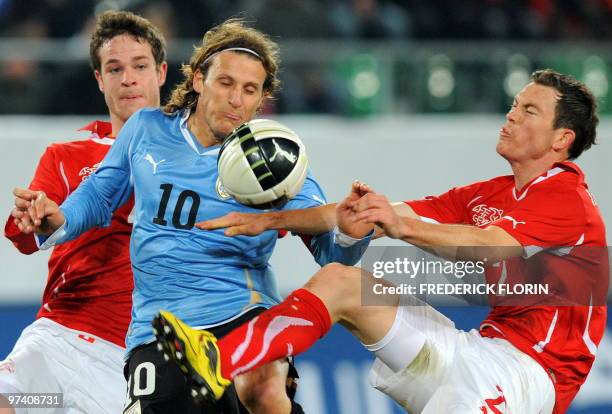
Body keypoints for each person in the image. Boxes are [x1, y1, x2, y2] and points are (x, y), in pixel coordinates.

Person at [154, 69, 607, 414]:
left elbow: (492, 247)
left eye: (529, 111)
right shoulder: (492, 193)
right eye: (514, 103)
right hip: (474, 352)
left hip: (526, 379)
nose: (511, 114)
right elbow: (367, 216)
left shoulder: (566, 195)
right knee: (341, 281)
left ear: (562, 139)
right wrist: (273, 219)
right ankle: (217, 360)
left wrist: (398, 225)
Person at [11, 18, 372, 414]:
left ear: (260, 100)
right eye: (226, 83)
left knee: (263, 391)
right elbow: (97, 197)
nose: (236, 99)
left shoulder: (273, 157)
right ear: (199, 79)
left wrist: (350, 236)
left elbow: (331, 255)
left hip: (241, 313)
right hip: (158, 329)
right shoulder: (147, 130)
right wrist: (59, 219)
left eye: (250, 90)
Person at [0, 10, 167, 414]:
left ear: (161, 72)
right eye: (115, 68)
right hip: (59, 343)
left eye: (139, 66)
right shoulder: (66, 156)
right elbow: (25, 236)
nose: (128, 78)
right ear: (99, 79)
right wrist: (37, 218)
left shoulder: (192, 157)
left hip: (133, 366)